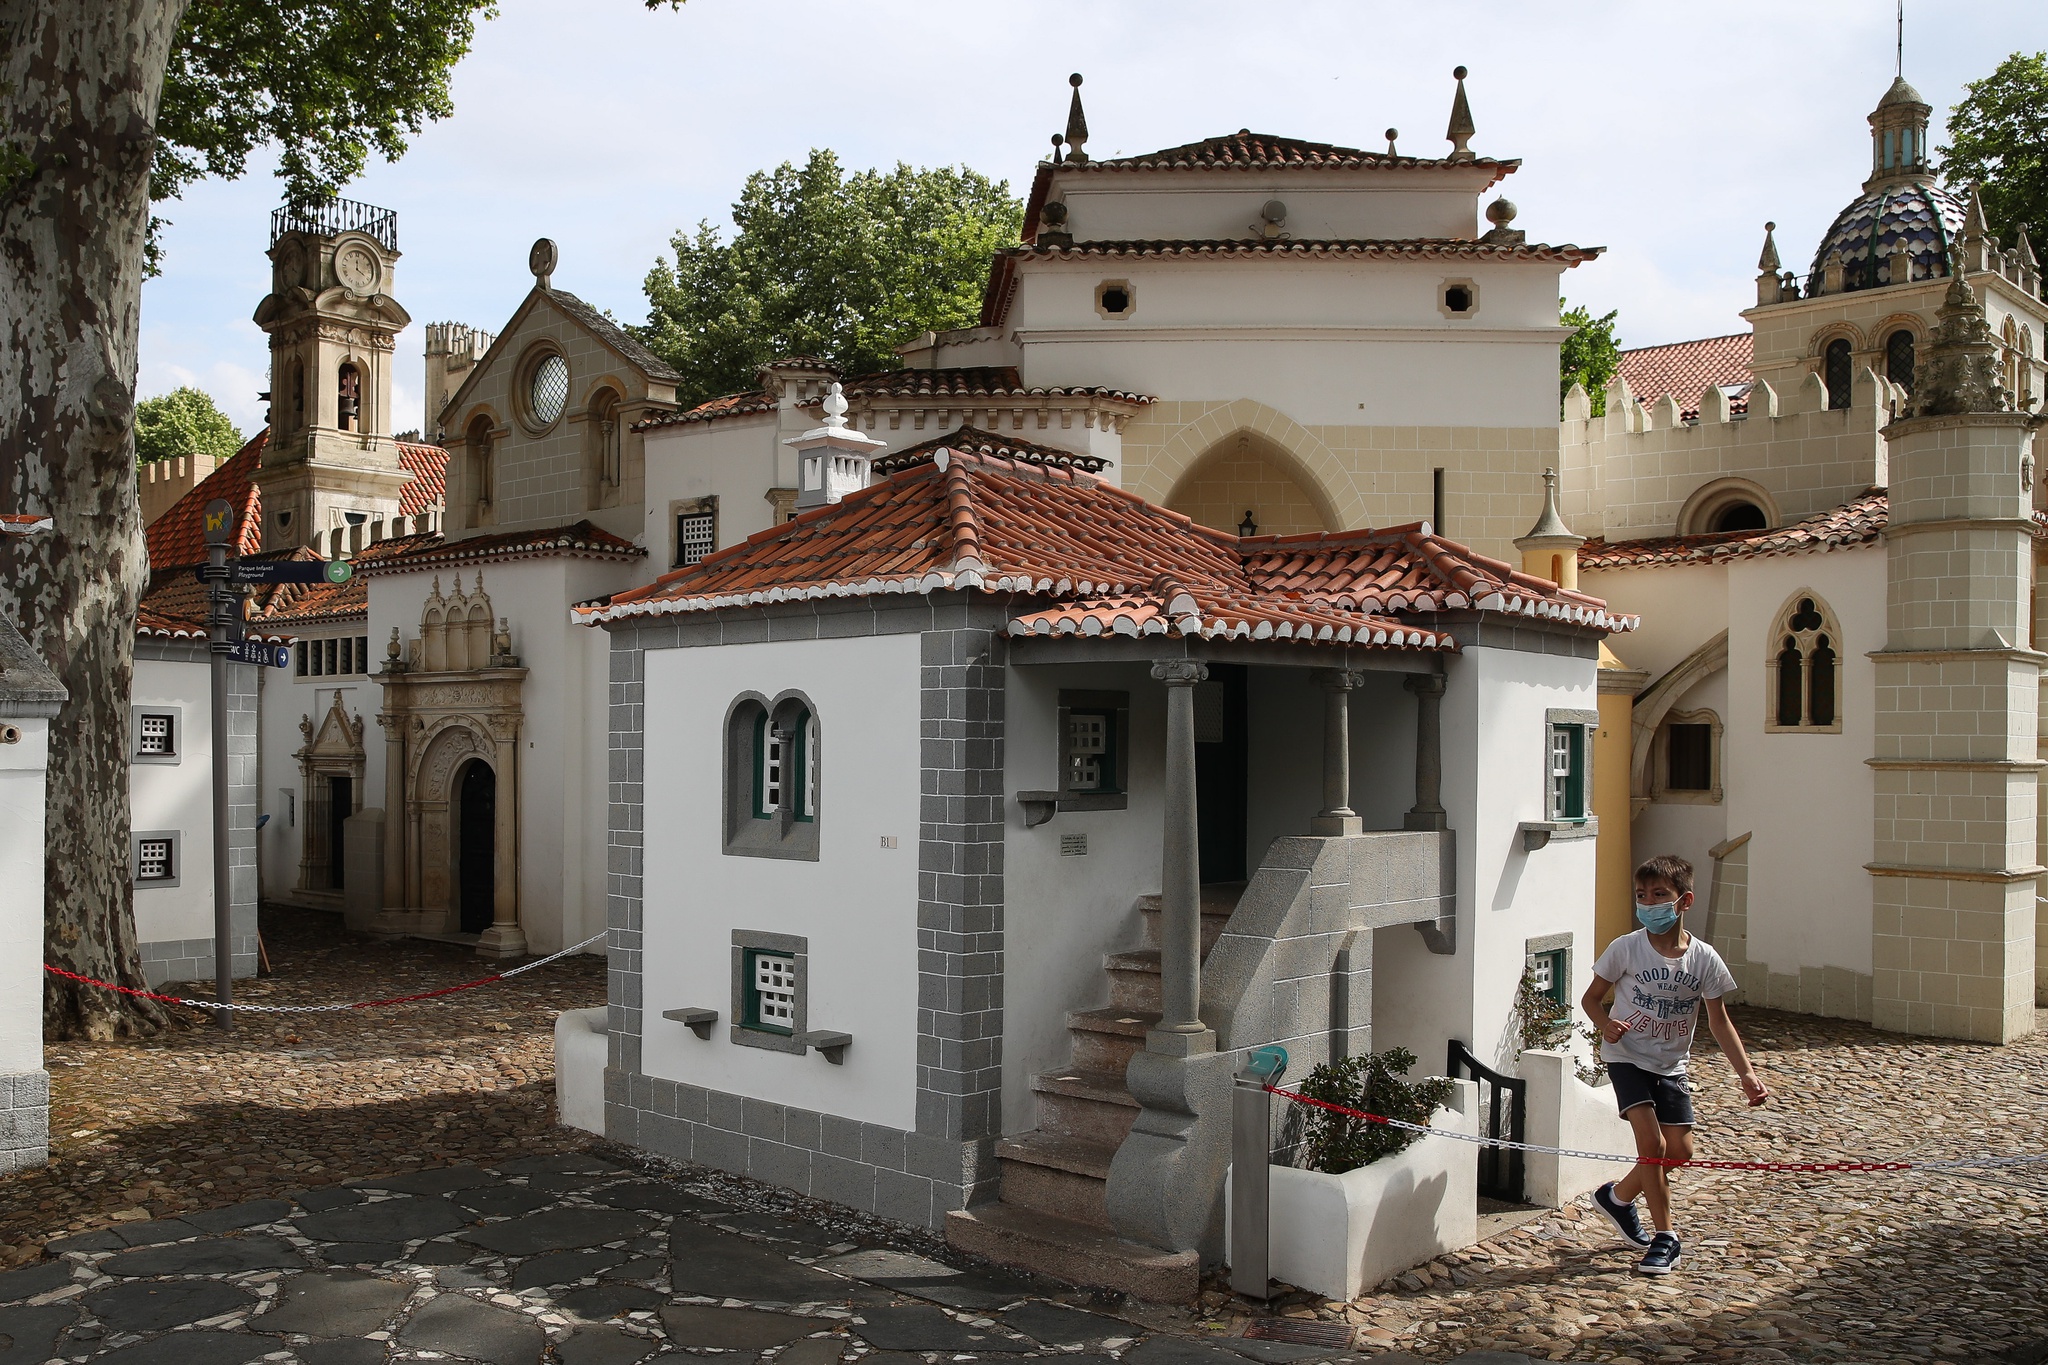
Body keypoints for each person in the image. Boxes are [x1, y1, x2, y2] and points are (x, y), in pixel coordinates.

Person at [1579, 854, 1769, 1276]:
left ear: (1684, 901)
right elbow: (1591, 999)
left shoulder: (1703, 959)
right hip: (1627, 1058)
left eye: (1659, 895)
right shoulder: (1625, 948)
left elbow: (1719, 1021)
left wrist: (1747, 1074)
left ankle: (1618, 1197)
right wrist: (1606, 1025)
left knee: (1680, 1151)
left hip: (1672, 1065)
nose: (1648, 903)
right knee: (1654, 1147)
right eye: (1641, 895)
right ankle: (1666, 1239)